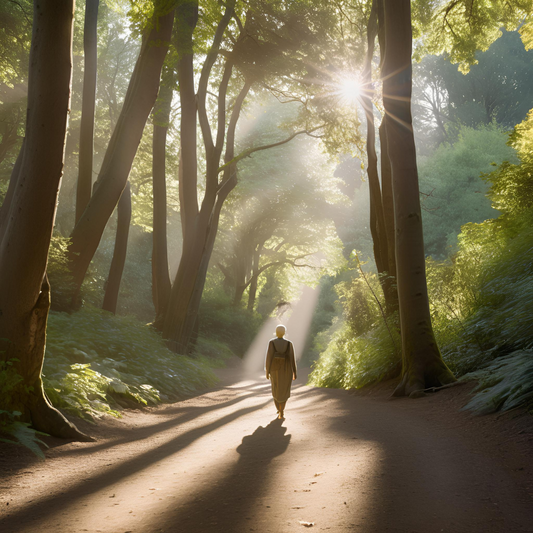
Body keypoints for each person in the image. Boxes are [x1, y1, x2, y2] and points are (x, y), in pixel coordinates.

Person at [265, 324, 297, 419]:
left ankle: (279, 409)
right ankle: (282, 410)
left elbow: (269, 358)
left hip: (274, 370)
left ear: (276, 332)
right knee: (285, 390)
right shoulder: (289, 344)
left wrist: (267, 371)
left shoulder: (272, 343)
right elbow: (292, 359)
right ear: (284, 333)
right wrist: (295, 372)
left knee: (276, 389)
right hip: (287, 370)